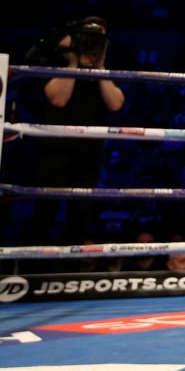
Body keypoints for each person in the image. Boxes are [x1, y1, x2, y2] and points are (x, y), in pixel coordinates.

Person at [30, 16, 125, 246]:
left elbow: (115, 103)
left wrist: (100, 66)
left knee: (80, 215)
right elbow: (59, 100)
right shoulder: (59, 63)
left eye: (99, 37)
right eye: (89, 36)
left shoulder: (103, 72)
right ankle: (30, 270)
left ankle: (69, 271)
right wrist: (73, 62)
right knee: (46, 211)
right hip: (56, 151)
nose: (93, 41)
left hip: (89, 153)